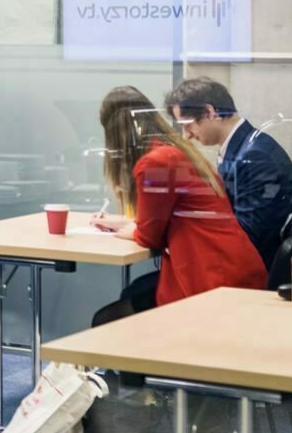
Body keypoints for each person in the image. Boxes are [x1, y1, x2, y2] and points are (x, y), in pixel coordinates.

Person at [89, 86, 265, 326]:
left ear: (114, 133)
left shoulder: (154, 162)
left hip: (210, 280)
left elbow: (149, 237)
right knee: (133, 295)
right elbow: (170, 218)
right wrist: (122, 223)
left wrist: (128, 230)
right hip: (230, 267)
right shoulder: (176, 152)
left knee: (106, 321)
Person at [166, 76, 292, 271]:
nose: (186, 135)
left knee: (144, 292)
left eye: (187, 125)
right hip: (242, 264)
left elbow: (248, 236)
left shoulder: (255, 157)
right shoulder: (242, 148)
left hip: (252, 273)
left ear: (209, 112)